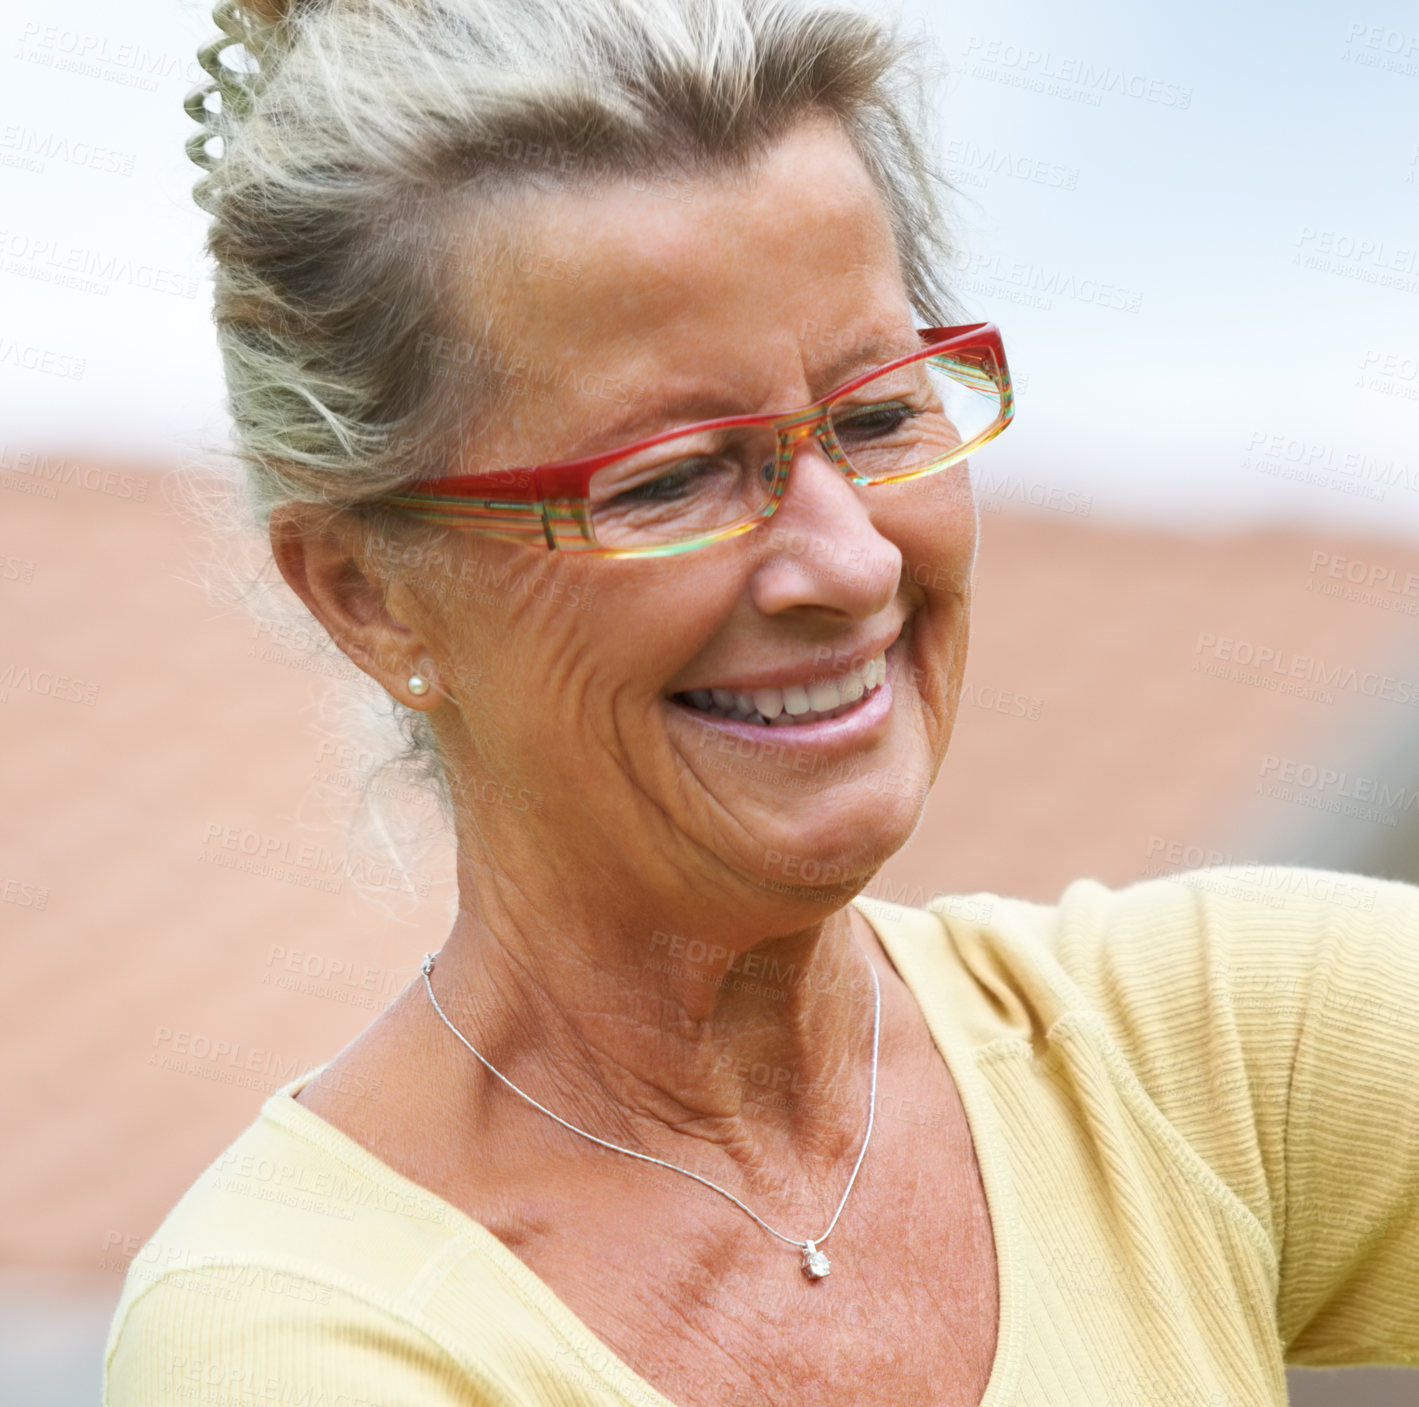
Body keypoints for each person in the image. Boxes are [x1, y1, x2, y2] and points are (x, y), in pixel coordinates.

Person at [106, 1, 1419, 1402]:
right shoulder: (295, 1336)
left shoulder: (1215, 1054)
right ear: (368, 592)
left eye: (877, 418)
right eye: (669, 478)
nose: (850, 561)